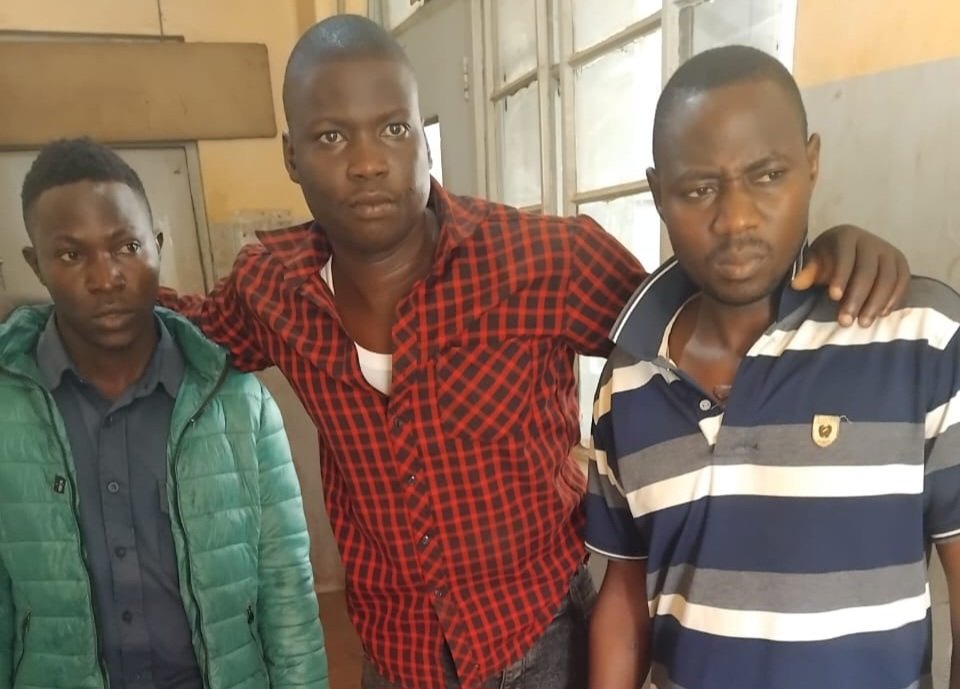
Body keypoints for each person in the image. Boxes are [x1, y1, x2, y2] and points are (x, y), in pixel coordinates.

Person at [160, 15, 912, 689]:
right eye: (331, 137)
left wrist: (823, 255)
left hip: (540, 640)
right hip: (396, 652)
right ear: (291, 155)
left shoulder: (541, 262)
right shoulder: (272, 288)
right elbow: (186, 328)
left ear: (422, 139)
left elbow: (701, 308)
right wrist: (113, 281)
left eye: (392, 129)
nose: (366, 162)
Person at [586, 45, 960, 689]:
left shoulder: (919, 340)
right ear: (657, 195)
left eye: (767, 176)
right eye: (699, 189)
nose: (735, 219)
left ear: (811, 164)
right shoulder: (628, 383)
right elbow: (625, 595)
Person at [0, 138, 329, 689]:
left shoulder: (237, 403)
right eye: (71, 255)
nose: (105, 278)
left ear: (156, 246)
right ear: (37, 264)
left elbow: (286, 592)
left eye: (126, 246)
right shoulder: (9, 410)